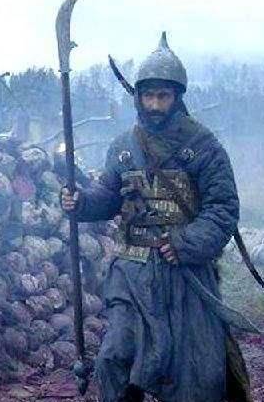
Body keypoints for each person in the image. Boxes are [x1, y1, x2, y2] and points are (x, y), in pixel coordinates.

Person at [61, 33, 252, 402]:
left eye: (163, 96)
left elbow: (223, 208)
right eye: (148, 96)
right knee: (115, 359)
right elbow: (108, 196)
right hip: (131, 273)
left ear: (177, 97)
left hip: (184, 275)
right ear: (138, 97)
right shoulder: (123, 147)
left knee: (196, 375)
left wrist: (185, 243)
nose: (155, 105)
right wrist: (81, 203)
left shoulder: (203, 146)